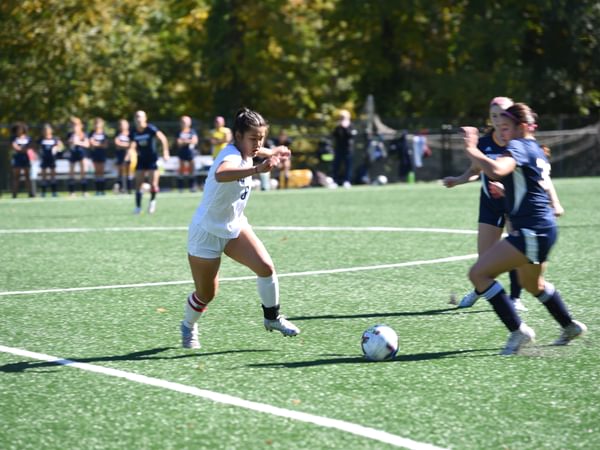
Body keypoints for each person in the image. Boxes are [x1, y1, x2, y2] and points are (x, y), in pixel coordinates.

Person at [461, 102, 586, 355]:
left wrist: (470, 148)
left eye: (506, 127)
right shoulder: (536, 150)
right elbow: (530, 188)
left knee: (479, 274)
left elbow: (496, 170)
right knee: (533, 284)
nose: (502, 131)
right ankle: (570, 326)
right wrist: (507, 190)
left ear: (522, 127)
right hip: (544, 229)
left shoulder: (519, 146)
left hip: (531, 230)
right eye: (500, 126)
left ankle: (519, 331)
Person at [181, 107, 300, 349]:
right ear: (237, 137)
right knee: (207, 294)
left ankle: (272, 318)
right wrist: (257, 169)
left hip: (234, 227)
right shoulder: (231, 156)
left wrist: (272, 150)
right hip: (207, 232)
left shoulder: (246, 150)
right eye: (253, 139)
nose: (258, 144)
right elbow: (222, 173)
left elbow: (254, 150)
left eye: (261, 138)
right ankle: (188, 325)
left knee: (266, 267)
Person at [443, 97, 528, 311]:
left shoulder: (517, 144)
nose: (499, 120)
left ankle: (516, 298)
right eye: (494, 115)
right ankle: (480, 290)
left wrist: (506, 190)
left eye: (503, 114)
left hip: (514, 204)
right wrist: (458, 180)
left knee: (515, 252)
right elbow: (475, 170)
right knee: (485, 259)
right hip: (490, 205)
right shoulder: (484, 142)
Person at [130, 110, 170, 214]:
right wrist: (130, 154)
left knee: (153, 184)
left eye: (141, 117)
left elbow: (163, 138)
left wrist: (165, 152)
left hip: (152, 159)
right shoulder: (134, 131)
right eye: (137, 117)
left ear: (145, 118)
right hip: (141, 159)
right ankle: (138, 207)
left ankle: (152, 202)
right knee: (138, 184)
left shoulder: (150, 129)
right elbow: (132, 145)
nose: (138, 119)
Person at [331, 109, 357, 188]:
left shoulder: (351, 126)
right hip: (339, 149)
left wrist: (345, 127)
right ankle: (335, 181)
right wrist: (340, 127)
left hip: (348, 150)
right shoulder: (338, 126)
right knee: (336, 166)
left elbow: (351, 136)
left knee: (348, 166)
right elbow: (334, 135)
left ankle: (347, 181)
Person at [37, 123, 63, 197]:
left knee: (53, 176)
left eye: (48, 130)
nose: (46, 131)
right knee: (43, 176)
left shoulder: (55, 138)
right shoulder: (41, 139)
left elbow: (61, 146)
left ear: (51, 130)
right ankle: (43, 192)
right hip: (44, 159)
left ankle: (54, 192)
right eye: (45, 130)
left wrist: (57, 148)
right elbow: (35, 147)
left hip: (52, 159)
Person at [10, 122, 35, 198]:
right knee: (16, 176)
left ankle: (30, 193)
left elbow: (30, 146)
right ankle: (14, 194)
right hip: (17, 158)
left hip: (25, 159)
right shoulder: (13, 138)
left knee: (27, 176)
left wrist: (24, 149)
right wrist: (22, 149)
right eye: (17, 129)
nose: (19, 130)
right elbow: (14, 146)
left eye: (20, 129)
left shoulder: (28, 138)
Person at [66, 116, 90, 197]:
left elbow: (87, 144)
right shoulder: (70, 134)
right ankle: (72, 192)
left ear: (80, 125)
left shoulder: (84, 134)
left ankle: (84, 191)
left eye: (76, 125)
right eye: (73, 125)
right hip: (73, 154)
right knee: (71, 173)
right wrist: (71, 140)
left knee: (83, 173)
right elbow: (68, 144)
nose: (74, 127)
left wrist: (78, 142)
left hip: (82, 154)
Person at [176, 115, 199, 192]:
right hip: (182, 153)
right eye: (182, 122)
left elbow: (195, 141)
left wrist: (184, 141)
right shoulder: (179, 132)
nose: (184, 123)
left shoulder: (192, 131)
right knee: (181, 169)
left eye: (185, 122)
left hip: (191, 153)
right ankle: (180, 187)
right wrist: (188, 141)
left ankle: (192, 186)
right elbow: (179, 143)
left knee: (192, 169)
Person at [89, 117, 109, 195]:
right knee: (97, 172)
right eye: (96, 123)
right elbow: (91, 143)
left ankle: (102, 190)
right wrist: (100, 144)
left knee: (101, 172)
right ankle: (97, 190)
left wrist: (96, 144)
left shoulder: (104, 134)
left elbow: (105, 145)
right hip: (95, 154)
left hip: (102, 154)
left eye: (99, 123)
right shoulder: (92, 133)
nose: (97, 125)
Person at [114, 119, 133, 194]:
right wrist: (127, 145)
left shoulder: (130, 134)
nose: (123, 126)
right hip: (120, 155)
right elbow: (117, 144)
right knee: (120, 172)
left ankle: (129, 189)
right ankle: (121, 189)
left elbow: (132, 144)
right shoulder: (118, 134)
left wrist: (123, 145)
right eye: (121, 124)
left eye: (124, 124)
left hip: (128, 155)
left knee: (128, 172)